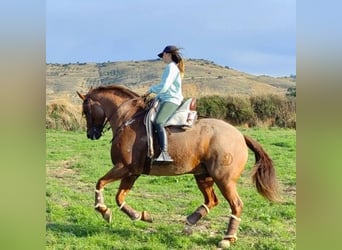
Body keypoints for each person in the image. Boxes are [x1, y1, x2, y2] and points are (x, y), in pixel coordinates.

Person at [144, 45, 185, 162]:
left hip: (171, 100)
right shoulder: (172, 67)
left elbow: (165, 86)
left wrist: (151, 90)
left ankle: (164, 153)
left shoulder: (171, 67)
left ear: (168, 55)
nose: (162, 58)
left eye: (163, 55)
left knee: (158, 121)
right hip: (165, 98)